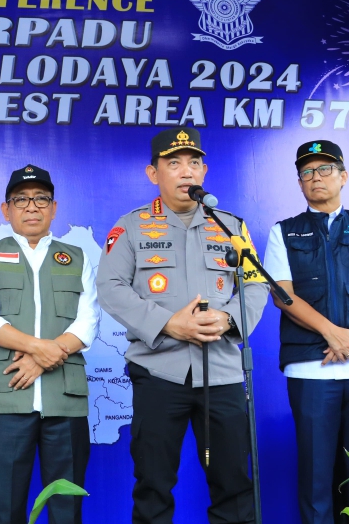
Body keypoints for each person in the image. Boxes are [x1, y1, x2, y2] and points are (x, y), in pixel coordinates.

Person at [96, 128, 270, 524]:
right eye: (173, 163)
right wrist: (168, 323)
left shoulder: (231, 227)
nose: (186, 171)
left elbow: (256, 283)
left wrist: (229, 318)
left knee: (234, 485)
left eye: (193, 163)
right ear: (153, 173)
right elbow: (110, 287)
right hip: (159, 372)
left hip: (223, 372)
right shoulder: (132, 226)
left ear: (204, 171)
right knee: (153, 487)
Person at [262, 140, 349, 524]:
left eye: (325, 169)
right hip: (311, 366)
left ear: (344, 176)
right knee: (315, 475)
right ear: (299, 183)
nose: (316, 177)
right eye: (307, 172)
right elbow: (283, 296)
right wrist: (332, 333)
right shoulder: (284, 232)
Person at [0, 164, 101, 524]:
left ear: (53, 208)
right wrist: (41, 349)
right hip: (7, 395)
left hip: (65, 399)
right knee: (6, 506)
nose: (31, 207)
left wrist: (41, 358)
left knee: (66, 507)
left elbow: (88, 321)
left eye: (41, 199)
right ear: (6, 209)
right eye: (21, 199)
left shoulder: (77, 256)